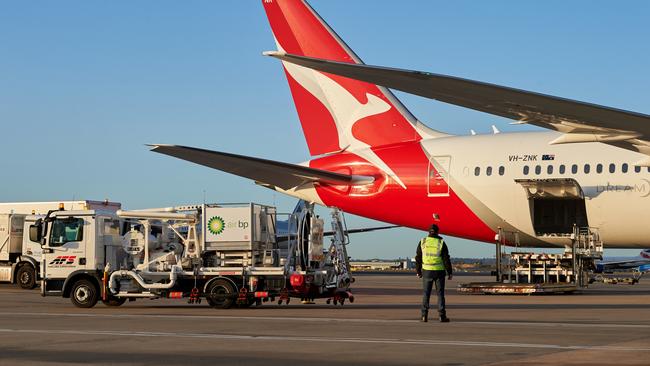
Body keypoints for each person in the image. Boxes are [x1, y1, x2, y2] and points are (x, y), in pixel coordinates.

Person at [415, 224, 452, 323]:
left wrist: (418, 271)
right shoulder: (441, 242)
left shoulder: (423, 242)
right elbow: (446, 259)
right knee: (440, 294)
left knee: (426, 294)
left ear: (429, 232)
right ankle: (442, 316)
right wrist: (450, 272)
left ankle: (424, 316)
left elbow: (418, 258)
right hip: (439, 271)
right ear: (437, 232)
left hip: (427, 271)